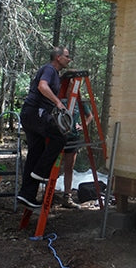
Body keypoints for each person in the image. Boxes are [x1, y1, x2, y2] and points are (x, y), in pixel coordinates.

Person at [17, 46, 72, 209]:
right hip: (35, 113)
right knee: (60, 137)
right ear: (58, 57)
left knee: (36, 152)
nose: (69, 59)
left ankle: (26, 194)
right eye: (67, 56)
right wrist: (58, 102)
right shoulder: (49, 69)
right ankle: (42, 172)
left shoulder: (54, 73)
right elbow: (42, 86)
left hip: (29, 115)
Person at [61, 101, 92, 209]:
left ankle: (67, 196)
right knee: (53, 167)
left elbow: (90, 116)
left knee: (69, 167)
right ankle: (48, 195)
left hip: (73, 139)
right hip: (58, 137)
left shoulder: (81, 103)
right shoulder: (61, 99)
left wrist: (83, 125)